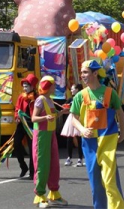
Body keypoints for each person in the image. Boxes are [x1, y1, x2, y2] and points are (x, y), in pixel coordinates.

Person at [71, 60, 124, 209]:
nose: (82, 75)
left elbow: (120, 112)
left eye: (85, 72)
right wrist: (82, 129)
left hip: (107, 139)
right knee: (95, 182)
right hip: (89, 143)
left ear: (95, 73)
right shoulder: (80, 96)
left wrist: (122, 131)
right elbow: (73, 118)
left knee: (109, 180)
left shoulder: (109, 92)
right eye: (82, 72)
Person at [31, 76, 69, 208]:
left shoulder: (49, 100)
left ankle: (54, 193)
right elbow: (34, 118)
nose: (55, 87)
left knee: (54, 163)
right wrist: (44, 117)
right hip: (41, 135)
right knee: (42, 164)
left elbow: (52, 116)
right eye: (53, 85)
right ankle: (40, 196)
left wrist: (62, 112)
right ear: (48, 86)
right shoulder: (40, 100)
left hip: (51, 134)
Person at [14, 74, 39, 178]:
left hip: (32, 125)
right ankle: (23, 166)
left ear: (32, 86)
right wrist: (17, 116)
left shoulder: (37, 97)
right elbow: (17, 108)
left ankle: (32, 172)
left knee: (32, 148)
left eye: (26, 86)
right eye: (24, 86)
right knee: (16, 144)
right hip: (22, 123)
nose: (24, 88)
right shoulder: (21, 97)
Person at [60, 83, 84, 167]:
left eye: (73, 88)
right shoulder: (70, 99)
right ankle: (69, 157)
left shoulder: (82, 98)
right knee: (69, 138)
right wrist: (64, 108)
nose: (71, 90)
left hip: (79, 118)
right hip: (71, 118)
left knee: (79, 138)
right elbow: (65, 108)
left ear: (77, 89)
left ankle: (80, 158)